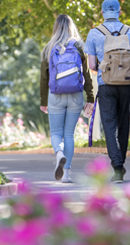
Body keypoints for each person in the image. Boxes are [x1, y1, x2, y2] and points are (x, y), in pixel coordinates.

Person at [84, 0, 130, 183]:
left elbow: (92, 65)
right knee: (124, 122)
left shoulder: (94, 33)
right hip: (126, 84)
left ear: (102, 13)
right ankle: (120, 161)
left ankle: (117, 166)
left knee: (109, 125)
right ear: (119, 11)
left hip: (105, 84)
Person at [40, 14, 94, 183]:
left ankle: (59, 153)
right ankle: (67, 175)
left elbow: (43, 78)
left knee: (56, 133)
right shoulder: (79, 46)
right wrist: (90, 98)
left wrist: (43, 101)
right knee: (69, 134)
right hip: (75, 95)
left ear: (56, 28)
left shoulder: (49, 48)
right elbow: (87, 75)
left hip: (55, 95)